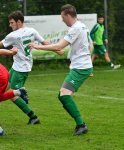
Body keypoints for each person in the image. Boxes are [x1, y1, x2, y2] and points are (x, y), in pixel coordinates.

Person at [0, 10, 65, 125]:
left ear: (18, 21)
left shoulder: (13, 35)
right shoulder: (32, 31)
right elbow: (45, 42)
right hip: (17, 66)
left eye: (11, 23)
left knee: (12, 95)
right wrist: (58, 50)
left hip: (21, 69)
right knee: (2, 89)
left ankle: (33, 116)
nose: (10, 25)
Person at [27, 4, 92, 136]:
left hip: (80, 68)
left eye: (63, 17)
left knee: (64, 95)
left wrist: (38, 47)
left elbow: (59, 46)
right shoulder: (83, 26)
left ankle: (81, 125)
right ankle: (80, 124)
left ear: (68, 16)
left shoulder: (75, 28)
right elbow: (90, 46)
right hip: (82, 66)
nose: (62, 20)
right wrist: (89, 65)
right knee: (62, 96)